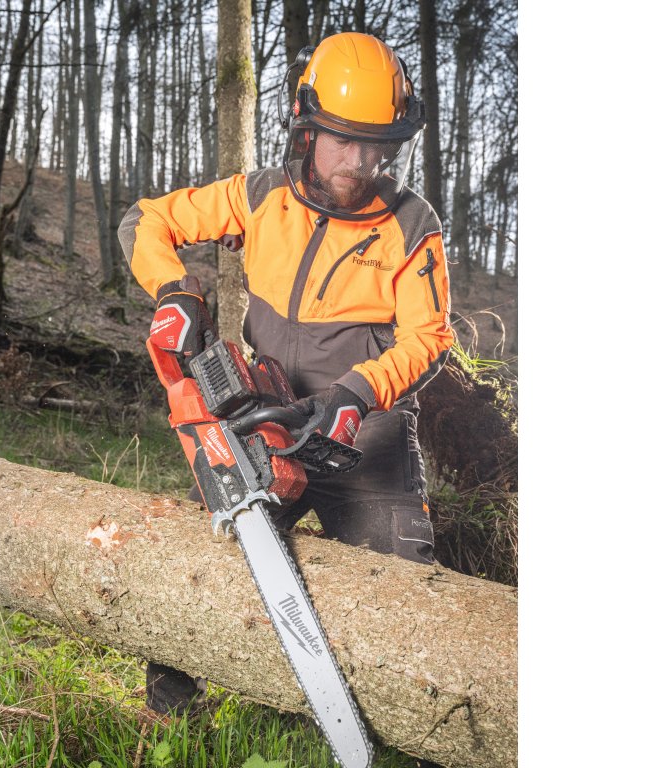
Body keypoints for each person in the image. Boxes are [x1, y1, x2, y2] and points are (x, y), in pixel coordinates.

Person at [118, 32, 454, 719]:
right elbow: (148, 219)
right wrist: (174, 291)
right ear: (307, 127)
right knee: (206, 563)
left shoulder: (411, 223)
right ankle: (169, 718)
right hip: (264, 413)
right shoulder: (263, 196)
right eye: (344, 140)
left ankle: (425, 739)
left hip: (364, 434)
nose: (359, 162)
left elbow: (429, 339)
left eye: (376, 145)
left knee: (406, 598)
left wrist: (358, 394)